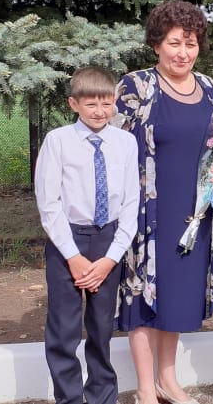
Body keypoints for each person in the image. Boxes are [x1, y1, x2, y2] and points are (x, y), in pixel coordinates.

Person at [114, 0, 213, 404]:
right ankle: (145, 389)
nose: (183, 53)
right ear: (157, 44)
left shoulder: (209, 88)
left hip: (194, 213)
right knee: (144, 294)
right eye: (174, 43)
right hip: (148, 212)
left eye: (190, 44)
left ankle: (167, 381)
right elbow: (109, 143)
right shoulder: (136, 86)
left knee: (173, 295)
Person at [34, 67, 140, 404]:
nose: (99, 111)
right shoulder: (58, 141)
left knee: (101, 327)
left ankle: (102, 396)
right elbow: (49, 203)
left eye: (106, 104)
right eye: (91, 104)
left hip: (108, 242)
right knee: (64, 329)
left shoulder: (125, 142)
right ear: (74, 104)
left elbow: (131, 203)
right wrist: (73, 256)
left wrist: (111, 259)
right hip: (67, 242)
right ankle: (69, 398)